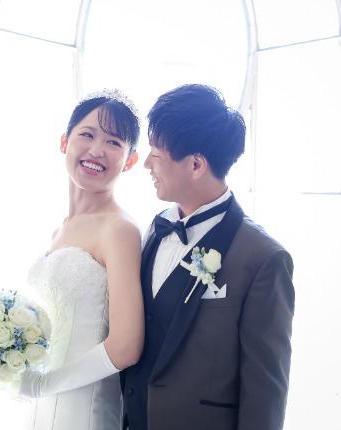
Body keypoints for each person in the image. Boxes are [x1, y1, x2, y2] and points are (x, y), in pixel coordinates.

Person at [121, 84, 295, 430]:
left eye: (156, 154)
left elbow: (265, 393)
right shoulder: (155, 228)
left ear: (196, 164)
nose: (147, 165)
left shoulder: (264, 258)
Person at [18, 89, 145, 430]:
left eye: (113, 142)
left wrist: (45, 384)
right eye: (87, 135)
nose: (97, 150)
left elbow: (127, 345)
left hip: (83, 409)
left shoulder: (119, 230)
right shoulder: (59, 230)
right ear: (64, 142)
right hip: (38, 405)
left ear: (130, 160)